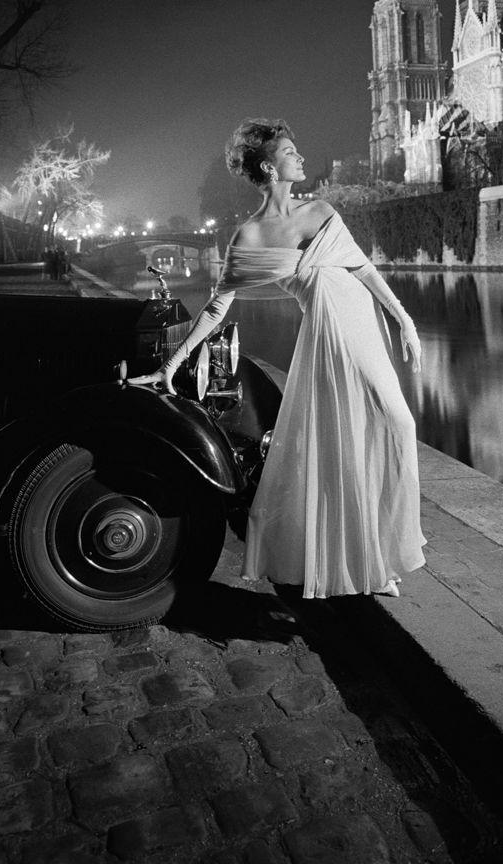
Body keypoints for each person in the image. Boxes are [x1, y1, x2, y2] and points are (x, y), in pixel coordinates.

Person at [131, 118, 426, 598]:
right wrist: (171, 366)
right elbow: (217, 305)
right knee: (350, 442)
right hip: (327, 337)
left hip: (362, 326)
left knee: (395, 426)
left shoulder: (322, 209)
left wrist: (403, 319)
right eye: (291, 152)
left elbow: (364, 270)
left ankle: (380, 554)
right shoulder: (248, 238)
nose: (301, 158)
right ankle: (368, 562)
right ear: (269, 166)